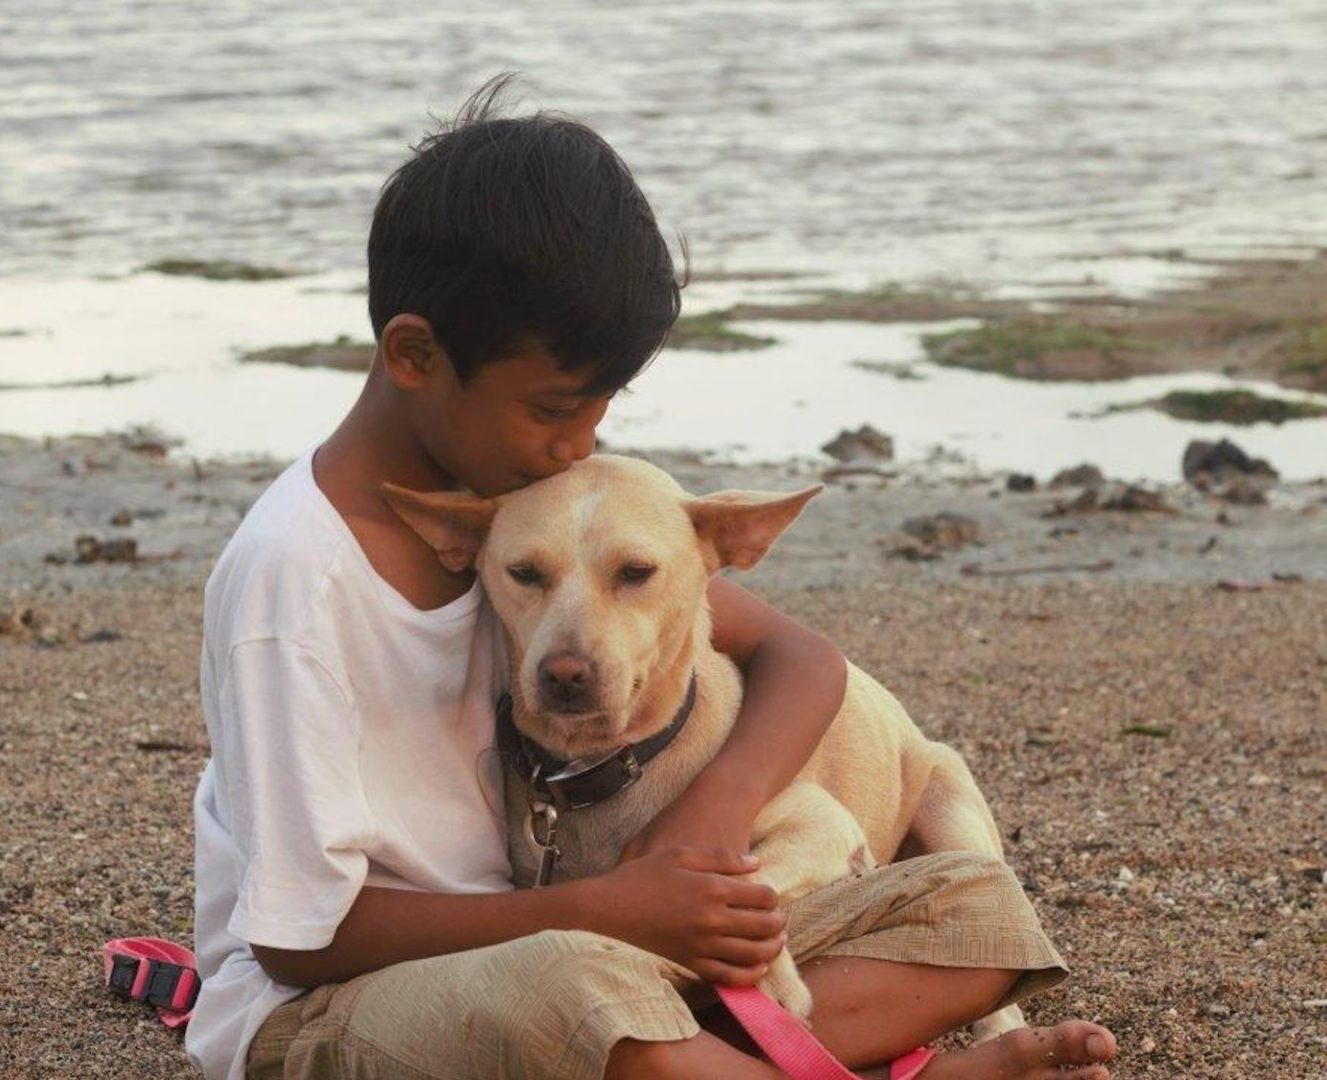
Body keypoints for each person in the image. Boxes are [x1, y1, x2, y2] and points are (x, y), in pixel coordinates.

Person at [187, 74, 1117, 1080]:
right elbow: (297, 939)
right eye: (553, 409)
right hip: (335, 1004)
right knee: (576, 990)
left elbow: (800, 658)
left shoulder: (526, 501)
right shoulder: (296, 584)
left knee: (974, 908)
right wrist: (599, 908)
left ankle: (707, 1060)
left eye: (598, 408)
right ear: (415, 354)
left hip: (573, 944)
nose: (578, 446)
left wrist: (706, 822)